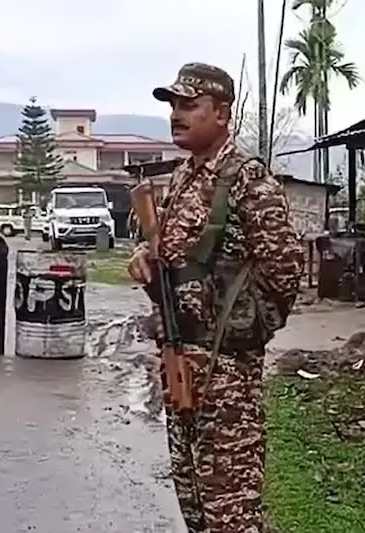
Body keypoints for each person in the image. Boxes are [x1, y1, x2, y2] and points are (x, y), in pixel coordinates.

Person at [127, 63, 303, 532]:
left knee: (231, 516)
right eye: (173, 106)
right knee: (196, 512)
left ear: (222, 113)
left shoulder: (247, 179)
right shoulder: (183, 177)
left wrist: (239, 331)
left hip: (226, 380)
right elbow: (170, 253)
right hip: (179, 366)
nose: (176, 115)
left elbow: (285, 270)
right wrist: (144, 257)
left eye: (190, 105)